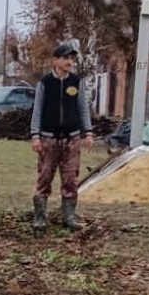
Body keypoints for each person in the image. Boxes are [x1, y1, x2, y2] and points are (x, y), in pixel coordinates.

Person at [29, 43, 95, 231]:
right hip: (48, 139)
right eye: (65, 58)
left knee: (70, 179)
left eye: (71, 58)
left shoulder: (76, 81)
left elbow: (83, 108)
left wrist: (88, 132)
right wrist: (35, 135)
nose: (69, 61)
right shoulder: (45, 83)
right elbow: (37, 110)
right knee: (44, 177)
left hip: (72, 139)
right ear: (55, 60)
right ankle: (40, 218)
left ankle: (69, 218)